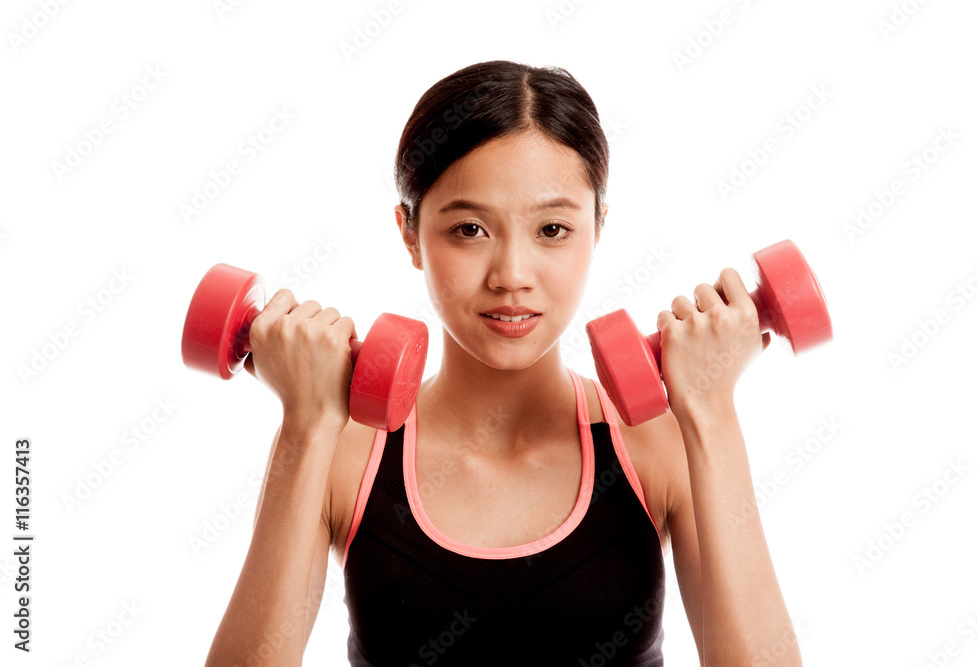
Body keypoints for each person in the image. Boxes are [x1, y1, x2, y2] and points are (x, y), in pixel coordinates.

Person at [204, 60, 803, 666]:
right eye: (469, 229)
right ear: (409, 234)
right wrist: (305, 425)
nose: (512, 276)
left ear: (598, 227)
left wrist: (711, 411)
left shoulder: (654, 444)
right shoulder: (343, 454)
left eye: (551, 229)